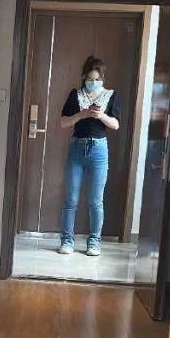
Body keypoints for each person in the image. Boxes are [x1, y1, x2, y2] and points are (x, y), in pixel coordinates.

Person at [58, 55, 121, 256]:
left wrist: (101, 115)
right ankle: (67, 241)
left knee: (96, 200)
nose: (94, 82)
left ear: (103, 78)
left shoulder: (111, 95)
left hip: (99, 149)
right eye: (90, 79)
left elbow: (116, 125)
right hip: (77, 147)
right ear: (84, 77)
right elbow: (63, 122)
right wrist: (81, 115)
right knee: (71, 199)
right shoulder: (75, 95)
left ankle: (94, 242)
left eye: (97, 79)